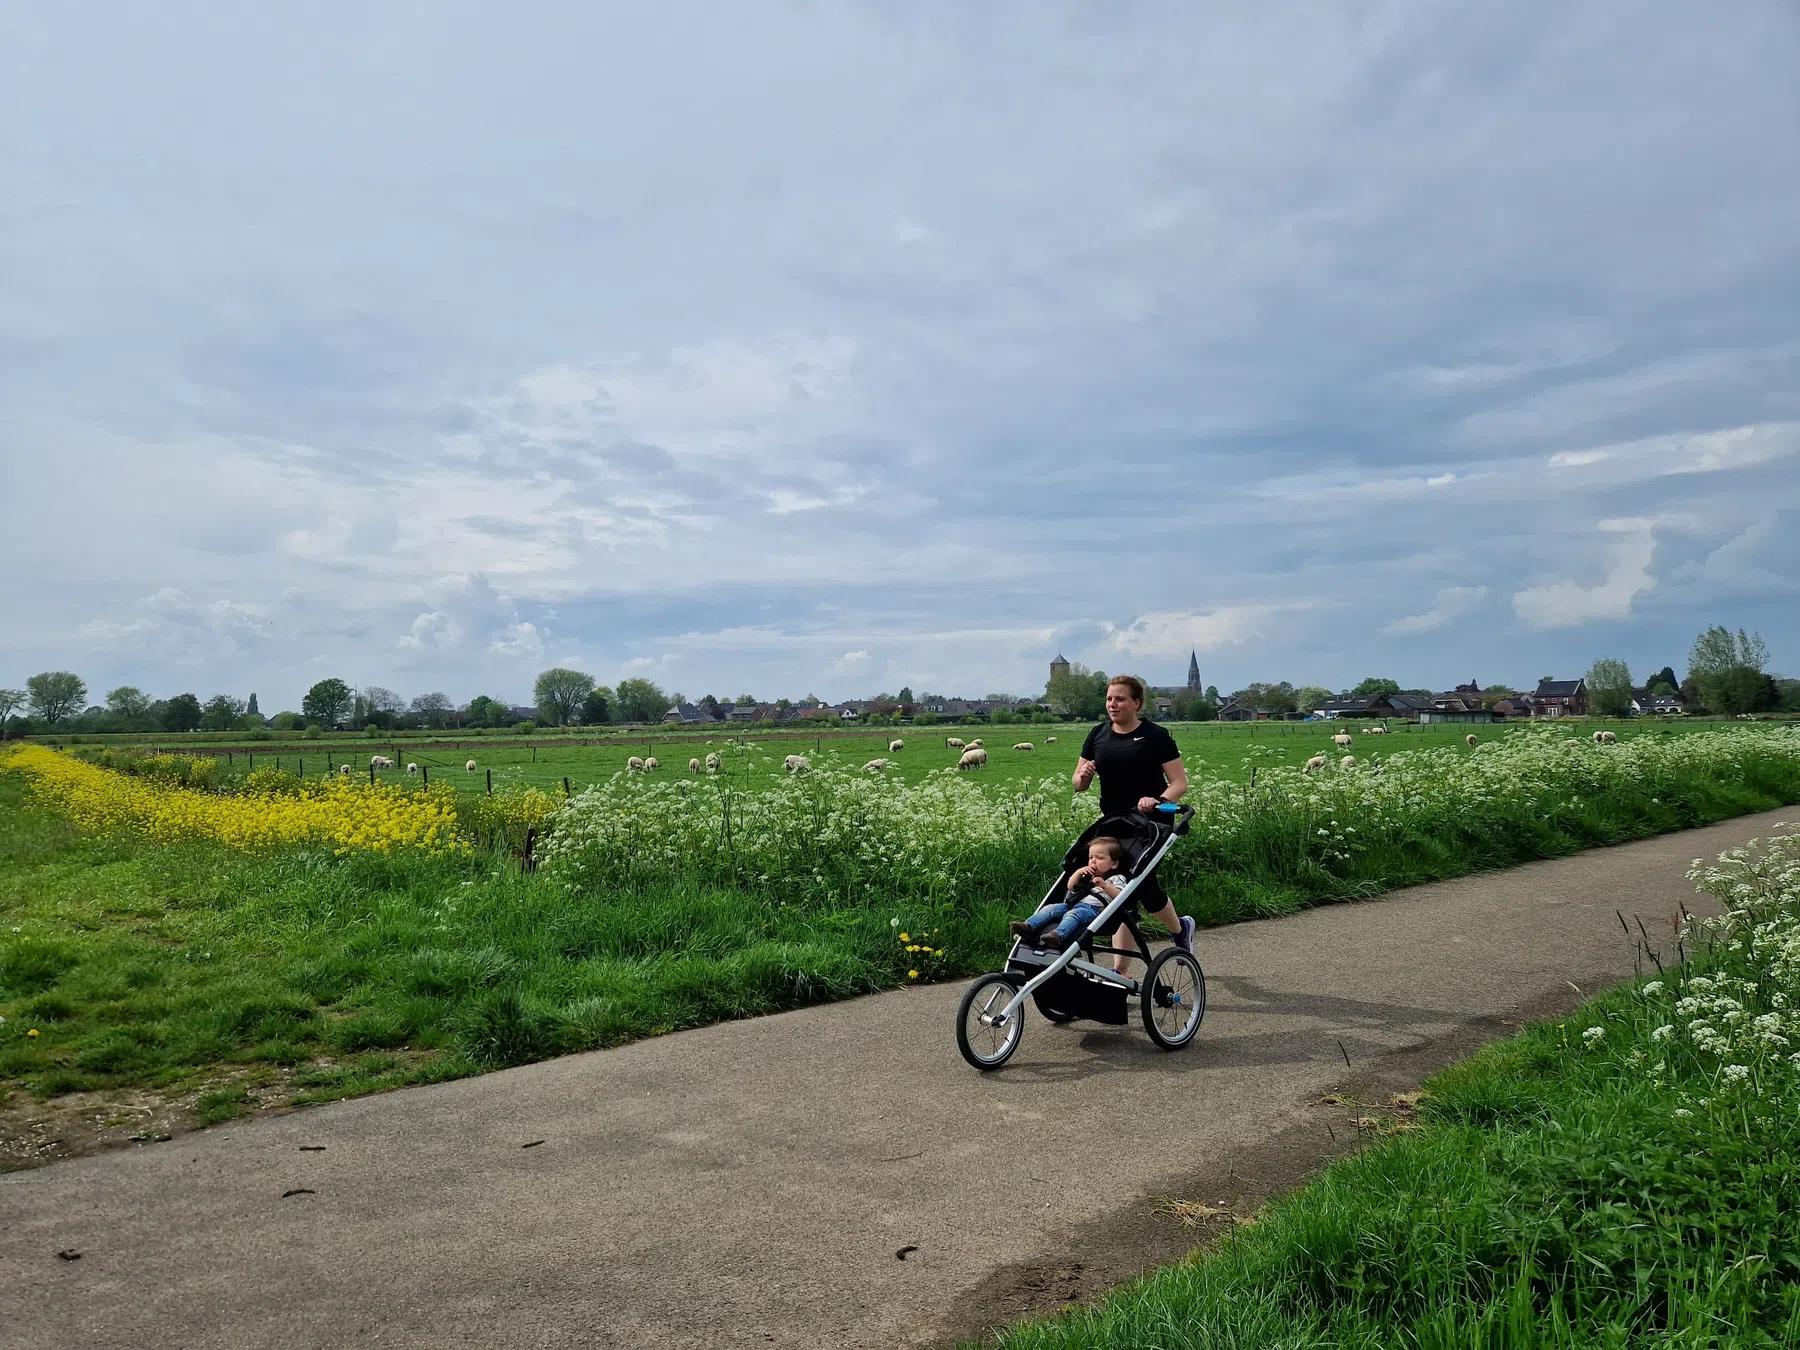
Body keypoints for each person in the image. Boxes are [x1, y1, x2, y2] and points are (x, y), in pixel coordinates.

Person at [1072, 674, 1195, 971]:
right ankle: (1120, 972)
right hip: (1114, 823)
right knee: (1121, 890)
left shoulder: (1155, 736)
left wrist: (1157, 799)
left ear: (1136, 703)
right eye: (1109, 699)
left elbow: (1179, 782)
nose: (1112, 704)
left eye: (1120, 699)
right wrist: (1084, 776)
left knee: (1142, 887)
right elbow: (1078, 783)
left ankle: (1180, 931)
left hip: (1151, 824)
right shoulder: (1097, 734)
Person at [1010, 836, 1127, 950]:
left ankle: (1057, 935)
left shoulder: (1116, 878)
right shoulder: (1088, 876)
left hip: (1094, 910)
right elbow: (1071, 887)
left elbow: (1120, 896)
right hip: (1074, 904)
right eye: (1091, 857)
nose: (1093, 861)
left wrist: (1105, 886)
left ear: (1114, 863)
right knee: (1050, 908)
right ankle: (1028, 926)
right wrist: (1078, 873)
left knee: (1073, 915)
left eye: (1100, 858)